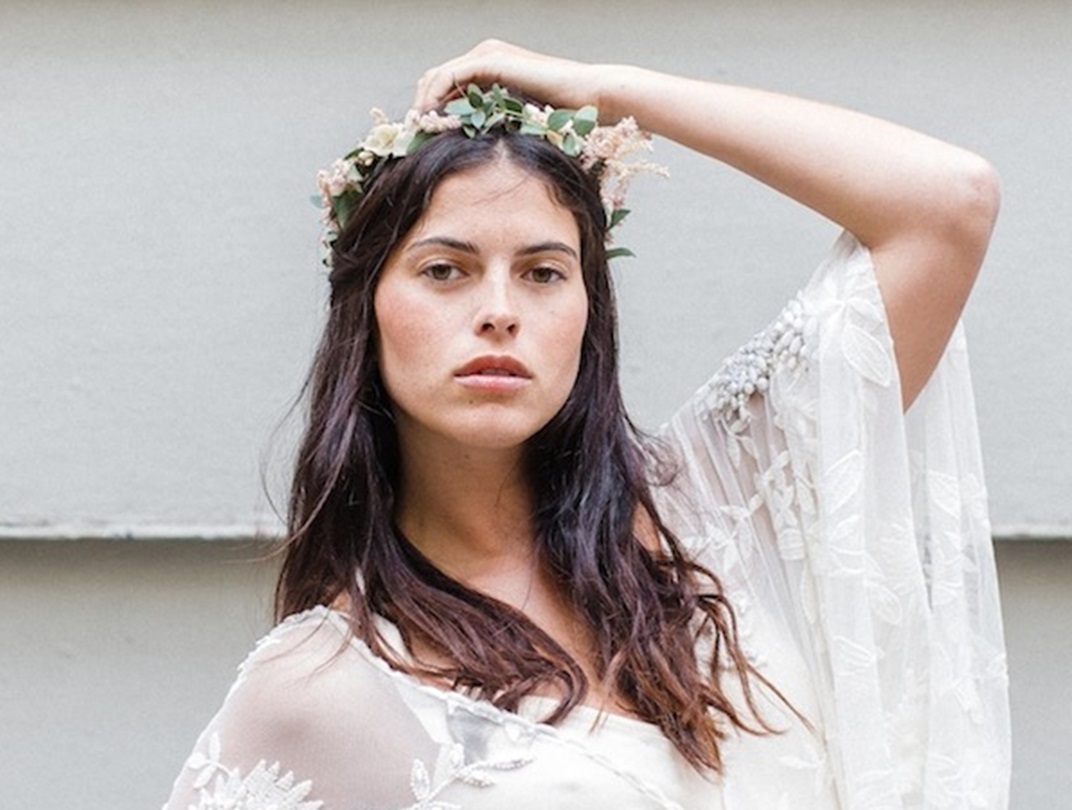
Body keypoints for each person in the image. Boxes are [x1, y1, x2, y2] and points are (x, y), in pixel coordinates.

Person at [163, 40, 1009, 809]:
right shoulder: (320, 687)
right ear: (368, 309)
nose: (499, 311)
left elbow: (945, 203)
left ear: (588, 316)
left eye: (542, 272)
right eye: (445, 270)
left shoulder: (710, 509)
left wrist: (610, 91)